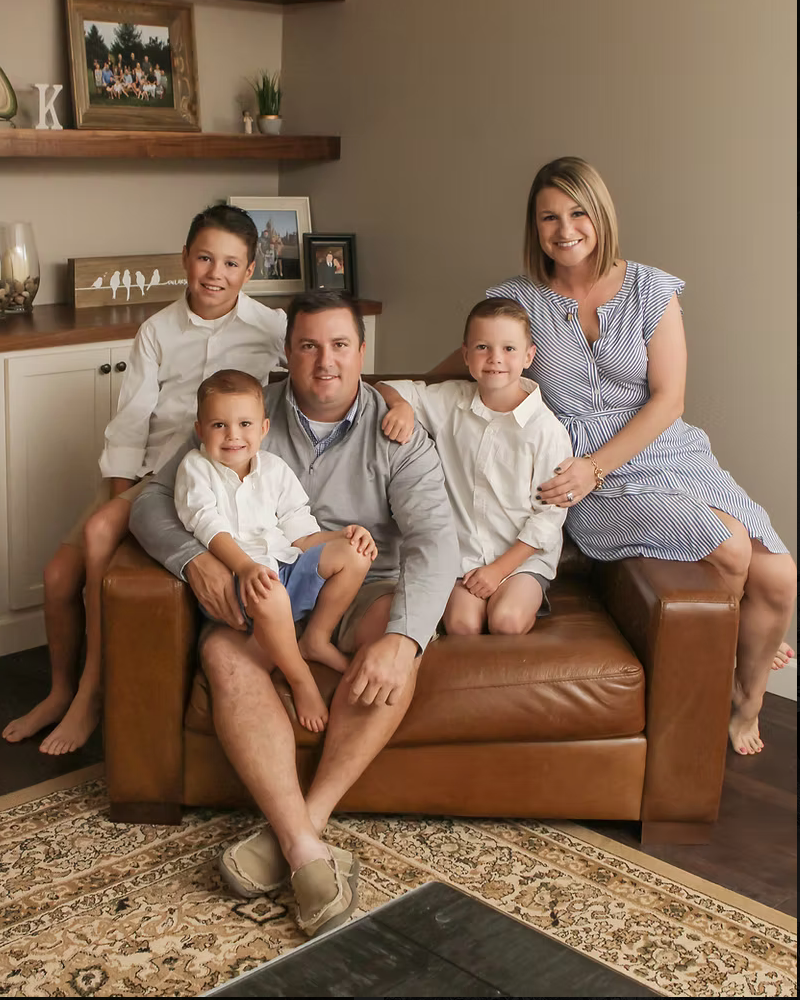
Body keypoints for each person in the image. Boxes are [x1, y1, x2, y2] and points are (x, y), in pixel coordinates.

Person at [434, 156, 796, 756]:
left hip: (663, 452)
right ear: (534, 226)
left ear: (601, 216)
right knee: (730, 547)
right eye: (548, 217)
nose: (564, 228)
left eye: (578, 212)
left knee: (780, 576)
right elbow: (471, 361)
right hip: (582, 483)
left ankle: (745, 699)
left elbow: (669, 400)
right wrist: (385, 394)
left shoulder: (653, 289)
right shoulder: (517, 300)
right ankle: (719, 660)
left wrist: (597, 462)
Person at [129, 292, 459, 938]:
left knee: (394, 629)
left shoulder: (397, 431)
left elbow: (436, 541)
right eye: (308, 346)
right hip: (264, 584)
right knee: (223, 653)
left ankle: (302, 825)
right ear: (288, 353)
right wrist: (194, 561)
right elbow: (151, 504)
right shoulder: (246, 414)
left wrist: (407, 640)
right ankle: (308, 854)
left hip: (359, 585)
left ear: (363, 355)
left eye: (340, 346)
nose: (325, 362)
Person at [2, 204, 288, 755]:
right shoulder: (156, 330)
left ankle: (92, 695)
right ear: (185, 258)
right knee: (60, 574)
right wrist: (119, 504)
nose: (215, 273)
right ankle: (61, 690)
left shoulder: (270, 327)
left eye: (231, 263)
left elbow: (312, 370)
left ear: (250, 271)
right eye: (204, 257)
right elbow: (132, 422)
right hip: (147, 470)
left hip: (204, 472)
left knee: (98, 538)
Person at [175, 368, 378, 732]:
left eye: (245, 424)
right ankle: (300, 678)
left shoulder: (274, 469)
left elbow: (300, 534)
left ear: (263, 429)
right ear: (200, 429)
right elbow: (207, 526)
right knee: (269, 590)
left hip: (284, 568)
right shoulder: (196, 468)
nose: (234, 435)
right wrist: (245, 567)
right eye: (219, 425)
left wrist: (343, 537)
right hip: (238, 583)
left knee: (355, 553)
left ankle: (315, 638)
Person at [376, 297, 572, 635]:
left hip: (521, 558)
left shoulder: (546, 430)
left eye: (509, 348)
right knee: (461, 625)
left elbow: (548, 519)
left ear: (529, 356)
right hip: (463, 557)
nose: (495, 358)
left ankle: (524, 601)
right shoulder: (449, 401)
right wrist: (401, 407)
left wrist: (498, 571)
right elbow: (386, 387)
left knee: (506, 621)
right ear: (466, 355)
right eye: (483, 347)